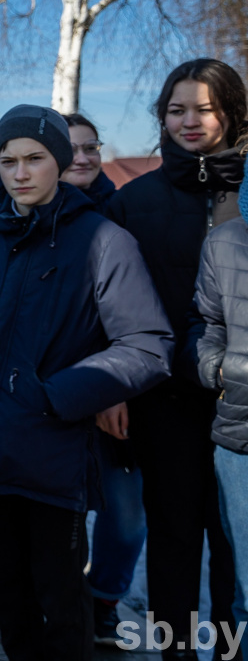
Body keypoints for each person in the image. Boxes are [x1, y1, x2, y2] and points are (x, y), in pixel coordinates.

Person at [0, 105, 172, 661]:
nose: (19, 173)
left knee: (59, 599)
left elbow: (148, 346)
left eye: (34, 159)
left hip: (50, 456)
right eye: (8, 160)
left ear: (59, 163)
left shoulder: (103, 242)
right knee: (9, 595)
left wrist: (58, 395)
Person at [106, 59, 246, 660]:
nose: (190, 121)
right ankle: (177, 651)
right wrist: (112, 387)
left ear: (233, 113)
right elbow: (105, 307)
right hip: (164, 400)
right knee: (174, 539)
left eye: (206, 108)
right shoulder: (132, 202)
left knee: (237, 548)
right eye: (176, 109)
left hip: (240, 398)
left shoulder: (244, 196)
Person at [60, 113, 147, 646]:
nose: (85, 158)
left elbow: (136, 316)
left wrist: (115, 387)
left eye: (92, 147)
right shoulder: (30, 215)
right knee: (63, 514)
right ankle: (67, 599)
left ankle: (106, 599)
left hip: (116, 388)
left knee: (125, 513)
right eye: (72, 149)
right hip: (59, 389)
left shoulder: (124, 214)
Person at [190, 151, 248, 638]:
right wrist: (219, 368)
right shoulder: (226, 240)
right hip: (240, 438)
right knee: (246, 593)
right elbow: (206, 324)